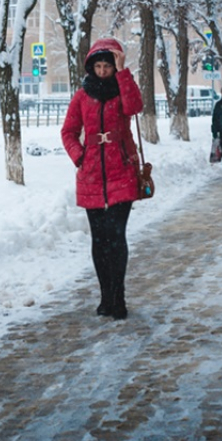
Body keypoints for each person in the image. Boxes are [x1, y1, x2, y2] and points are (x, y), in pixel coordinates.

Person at [61, 37, 143, 320]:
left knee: (117, 236)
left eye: (108, 65)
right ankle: (105, 295)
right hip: (92, 174)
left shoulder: (123, 88)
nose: (103, 70)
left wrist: (123, 72)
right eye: (98, 66)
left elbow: (135, 107)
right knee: (99, 239)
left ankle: (119, 296)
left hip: (122, 170)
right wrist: (79, 156)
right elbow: (68, 131)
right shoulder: (82, 96)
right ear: (91, 67)